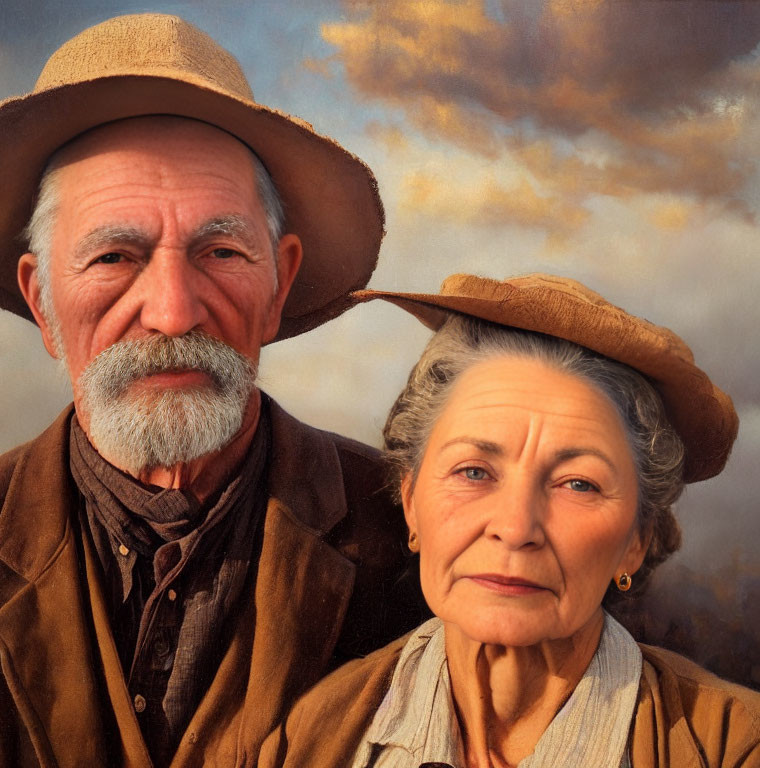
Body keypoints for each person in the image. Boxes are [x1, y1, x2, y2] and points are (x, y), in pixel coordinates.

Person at [0, 14, 425, 768]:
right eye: (114, 256)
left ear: (279, 282)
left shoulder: (421, 544)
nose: (173, 311)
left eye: (221, 250)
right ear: (42, 301)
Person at [258, 273, 760, 768]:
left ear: (637, 540)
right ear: (411, 504)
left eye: (578, 483)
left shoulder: (733, 745)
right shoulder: (314, 738)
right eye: (473, 471)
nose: (516, 528)